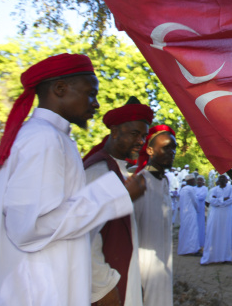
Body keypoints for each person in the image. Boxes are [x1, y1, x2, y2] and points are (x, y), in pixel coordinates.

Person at [0, 54, 141, 305]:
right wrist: (115, 196)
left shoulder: (52, 137)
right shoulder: (43, 139)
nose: (96, 104)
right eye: (91, 93)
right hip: (38, 288)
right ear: (60, 89)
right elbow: (29, 228)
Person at [83, 97, 153, 306]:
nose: (141, 141)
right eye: (135, 134)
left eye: (144, 135)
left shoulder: (118, 170)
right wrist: (103, 288)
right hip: (105, 286)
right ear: (114, 132)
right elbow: (85, 235)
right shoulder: (99, 171)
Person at [134, 124, 177, 305]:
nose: (171, 152)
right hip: (144, 268)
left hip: (164, 263)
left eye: (173, 148)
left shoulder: (164, 181)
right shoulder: (140, 183)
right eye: (166, 148)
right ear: (150, 150)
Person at [201, 174, 232, 265]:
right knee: (213, 233)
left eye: (224, 179)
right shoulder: (213, 189)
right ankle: (210, 258)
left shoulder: (231, 188)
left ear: (227, 180)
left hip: (226, 215)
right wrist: (223, 199)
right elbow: (211, 201)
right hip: (215, 215)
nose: (222, 181)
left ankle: (226, 258)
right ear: (218, 181)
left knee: (225, 234)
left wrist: (218, 201)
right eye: (220, 179)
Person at [177, 174, 201, 256]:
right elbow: (195, 201)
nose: (195, 182)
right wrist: (198, 210)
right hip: (190, 212)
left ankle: (184, 249)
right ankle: (193, 250)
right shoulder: (191, 189)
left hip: (184, 213)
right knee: (192, 230)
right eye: (194, 180)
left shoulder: (183, 189)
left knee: (185, 230)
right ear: (190, 181)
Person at [195, 175, 208, 250]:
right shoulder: (194, 188)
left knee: (200, 225)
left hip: (201, 209)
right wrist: (196, 196)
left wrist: (195, 196)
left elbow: (202, 197)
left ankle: (201, 242)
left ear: (203, 182)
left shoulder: (205, 188)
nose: (199, 181)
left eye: (200, 180)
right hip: (194, 209)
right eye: (198, 180)